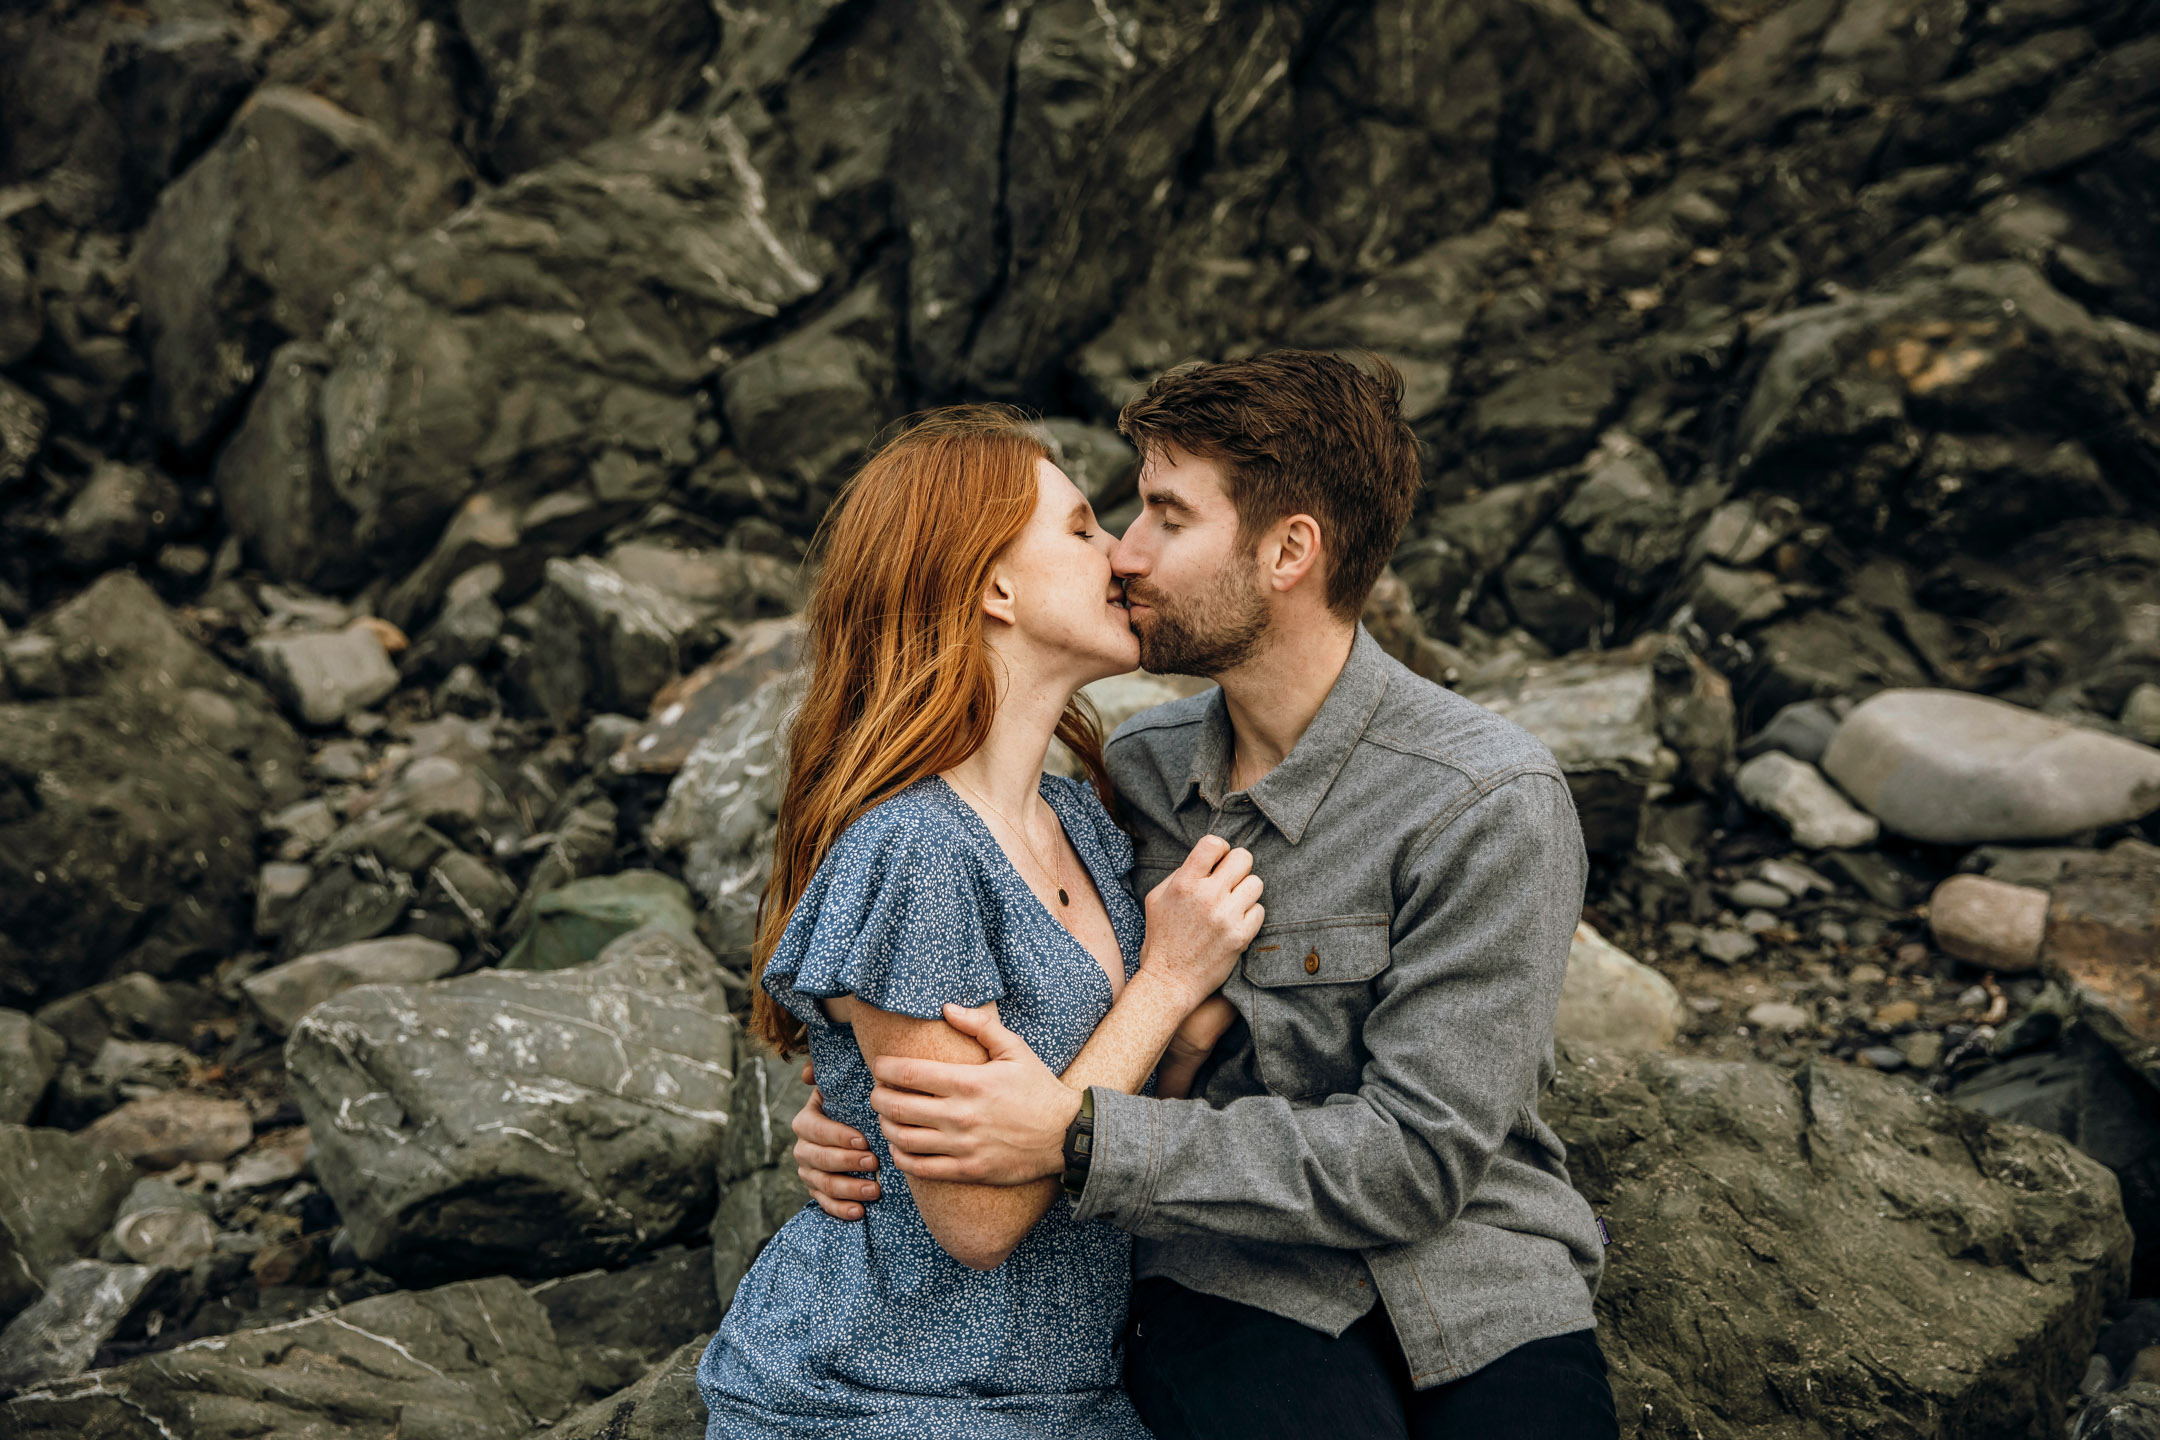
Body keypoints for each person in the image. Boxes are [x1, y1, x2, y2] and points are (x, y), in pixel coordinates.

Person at [792, 352, 1621, 1439]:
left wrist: (1078, 1137)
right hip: (1228, 1275)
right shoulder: (1131, 778)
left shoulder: (1487, 798)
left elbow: (1420, 1161)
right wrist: (852, 1116)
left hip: (1475, 1270)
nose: (1129, 556)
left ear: (1289, 551)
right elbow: (970, 961)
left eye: (1167, 519)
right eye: (1117, 518)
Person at [693, 406, 1269, 1439]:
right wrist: (1166, 986)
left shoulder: (1084, 824)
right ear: (993, 587)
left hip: (1066, 1393)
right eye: (1085, 528)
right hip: (880, 1396)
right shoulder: (916, 850)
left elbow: (1113, 1117)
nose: (1122, 557)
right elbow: (980, 1219)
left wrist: (1180, 1040)